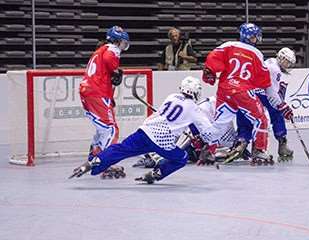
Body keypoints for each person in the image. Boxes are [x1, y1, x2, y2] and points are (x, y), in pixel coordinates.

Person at [70, 76, 215, 184]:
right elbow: (208, 131)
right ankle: (156, 174)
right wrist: (209, 141)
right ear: (195, 92)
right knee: (181, 158)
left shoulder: (172, 96)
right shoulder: (195, 109)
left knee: (120, 149)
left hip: (146, 131)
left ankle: (92, 164)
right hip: (163, 142)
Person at [202, 23, 285, 165]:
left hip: (224, 90)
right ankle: (259, 151)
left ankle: (208, 150)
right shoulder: (257, 54)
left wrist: (209, 71)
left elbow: (212, 58)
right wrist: (280, 104)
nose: (256, 40)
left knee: (219, 123)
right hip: (242, 91)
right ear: (248, 37)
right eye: (254, 37)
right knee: (261, 119)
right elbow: (264, 83)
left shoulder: (228, 45)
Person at [78, 26, 130, 178]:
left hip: (89, 91)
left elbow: (103, 74)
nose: (122, 46)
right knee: (111, 129)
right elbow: (109, 58)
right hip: (96, 93)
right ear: (116, 41)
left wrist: (109, 98)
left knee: (102, 129)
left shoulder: (99, 50)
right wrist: (115, 70)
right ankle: (104, 163)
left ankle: (93, 156)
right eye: (122, 42)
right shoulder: (112, 49)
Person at [235, 47, 296, 162]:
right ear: (281, 58)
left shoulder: (270, 61)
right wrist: (282, 105)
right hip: (260, 93)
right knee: (275, 114)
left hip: (247, 91)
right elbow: (271, 92)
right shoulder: (275, 69)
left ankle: (242, 142)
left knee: (247, 116)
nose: (287, 65)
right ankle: (273, 146)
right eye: (287, 61)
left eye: (289, 63)